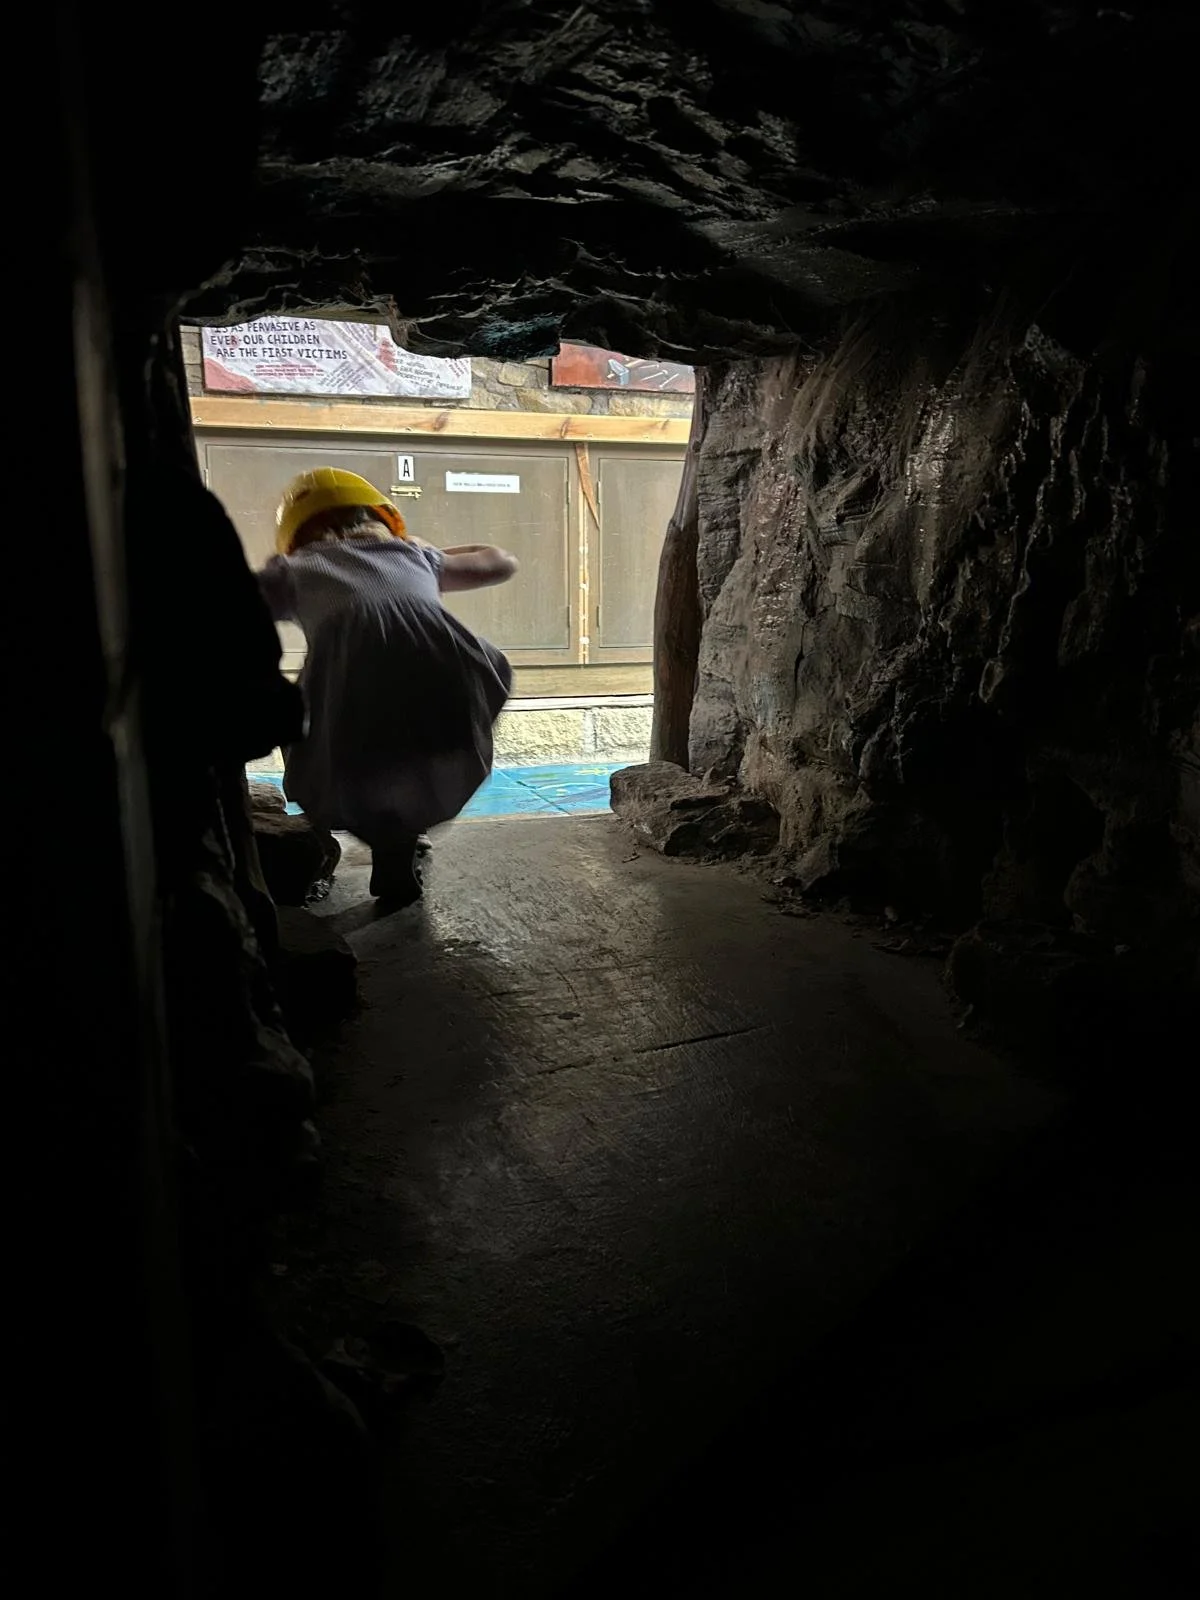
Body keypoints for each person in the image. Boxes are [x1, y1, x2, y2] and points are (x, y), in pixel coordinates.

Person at [256, 467, 517, 906]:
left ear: (296, 537)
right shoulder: (415, 557)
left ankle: (339, 836)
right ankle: (399, 849)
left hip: (350, 693)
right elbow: (500, 563)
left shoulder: (295, 568)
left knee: (324, 744)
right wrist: (427, 550)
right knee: (412, 762)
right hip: (444, 684)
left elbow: (225, 601)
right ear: (383, 521)